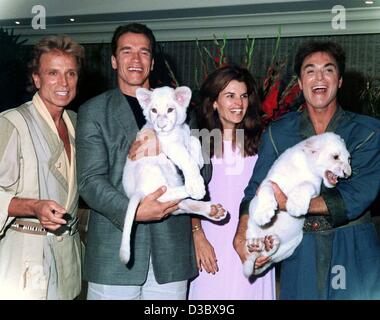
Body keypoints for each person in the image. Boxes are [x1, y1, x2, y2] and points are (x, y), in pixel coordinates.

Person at [234, 41, 380, 300]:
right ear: (300, 83)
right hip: (301, 250)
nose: (319, 77)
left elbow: (359, 193)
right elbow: (255, 188)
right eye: (310, 71)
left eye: (328, 70)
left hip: (352, 245)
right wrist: (242, 232)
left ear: (340, 80)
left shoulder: (367, 132)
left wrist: (290, 202)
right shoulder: (279, 133)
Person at [76, 23, 198, 300]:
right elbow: (89, 181)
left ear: (152, 62)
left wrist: (166, 147)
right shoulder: (94, 110)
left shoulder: (179, 108)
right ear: (114, 60)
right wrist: (133, 211)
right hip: (114, 253)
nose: (135, 59)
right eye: (126, 51)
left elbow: (205, 169)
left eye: (144, 52)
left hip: (171, 254)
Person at [0, 35, 84, 299]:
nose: (63, 83)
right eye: (53, 73)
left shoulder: (77, 124)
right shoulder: (12, 122)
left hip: (68, 259)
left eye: (70, 73)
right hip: (25, 260)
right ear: (37, 79)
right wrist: (33, 206)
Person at [188, 65, 276, 300]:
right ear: (214, 102)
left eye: (243, 96)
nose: (238, 102)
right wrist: (197, 234)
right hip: (210, 244)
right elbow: (186, 195)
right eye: (230, 95)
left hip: (251, 241)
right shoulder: (198, 144)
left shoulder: (263, 145)